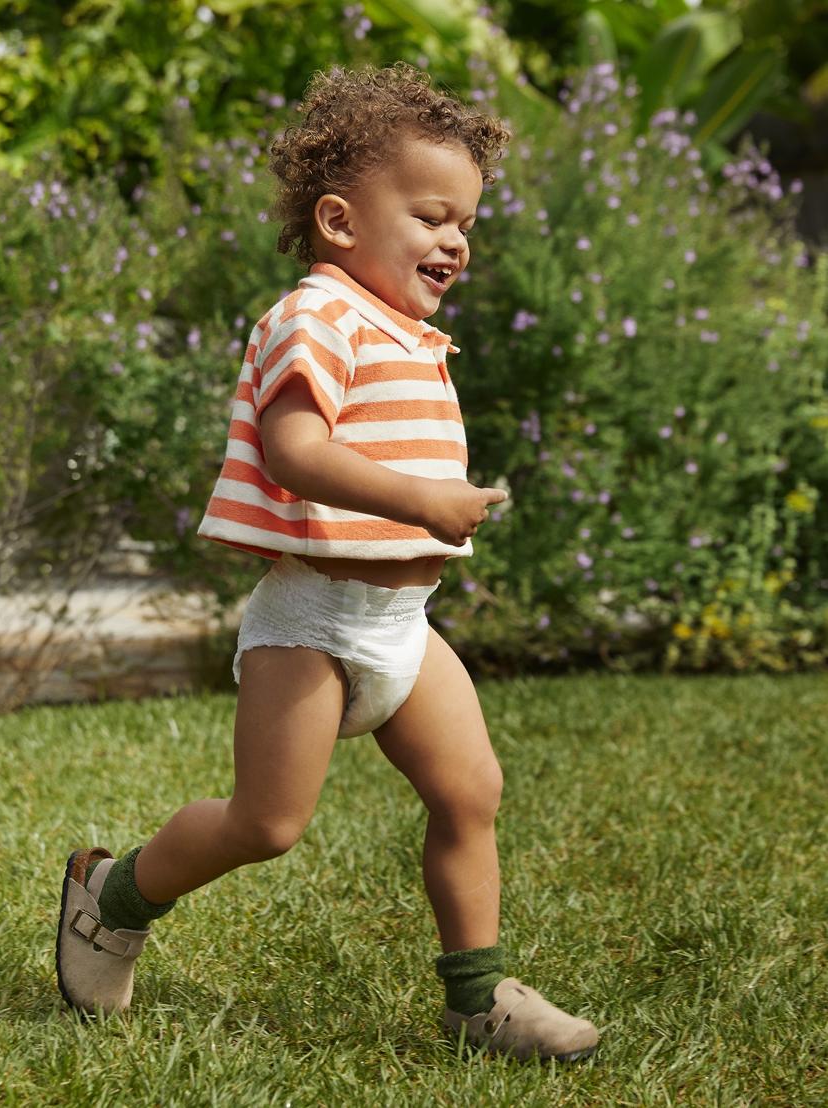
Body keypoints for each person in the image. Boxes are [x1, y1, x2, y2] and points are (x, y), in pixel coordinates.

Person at [56, 60, 599, 1062]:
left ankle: (476, 997)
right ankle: (110, 895)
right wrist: (424, 500)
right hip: (309, 622)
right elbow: (298, 453)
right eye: (433, 215)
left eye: (464, 222)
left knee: (469, 792)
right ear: (341, 222)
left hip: (400, 627)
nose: (455, 239)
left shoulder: (409, 331)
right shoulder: (313, 314)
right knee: (266, 823)